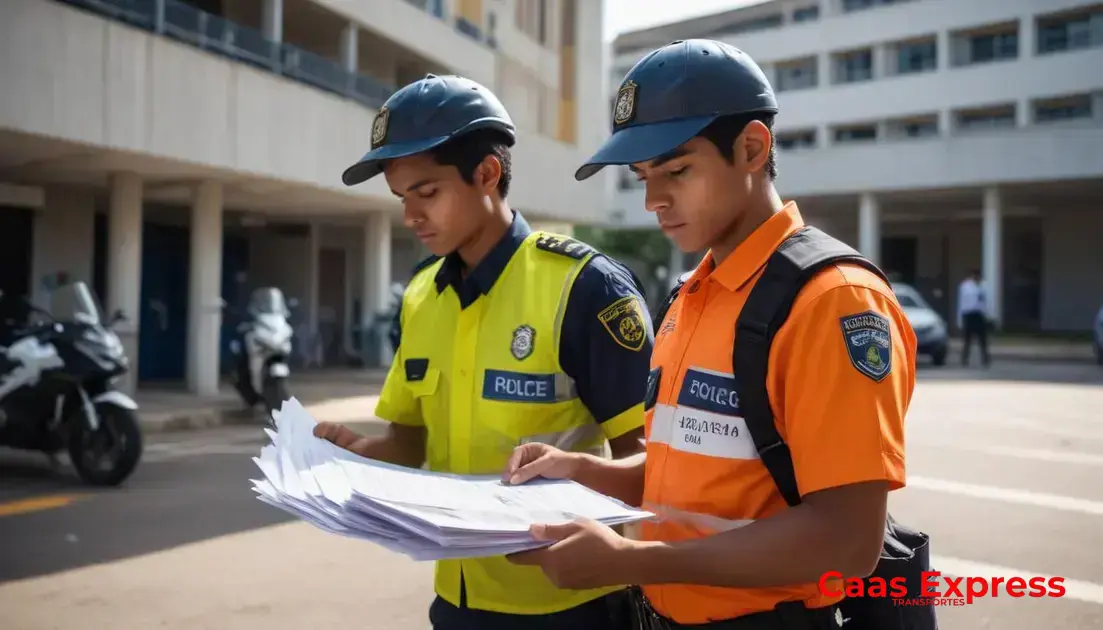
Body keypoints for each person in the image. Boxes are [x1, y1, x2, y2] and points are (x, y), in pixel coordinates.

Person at [503, 39, 920, 629]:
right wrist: (583, 471)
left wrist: (635, 559)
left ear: (752, 148)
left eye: (676, 171)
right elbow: (693, 476)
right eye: (643, 176)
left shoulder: (831, 302)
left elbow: (847, 539)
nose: (653, 200)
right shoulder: (696, 291)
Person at [312, 73, 652, 630]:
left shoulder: (585, 288)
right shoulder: (421, 295)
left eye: (427, 193)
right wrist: (352, 455)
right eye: (402, 199)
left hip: (572, 607)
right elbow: (408, 443)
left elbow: (650, 465)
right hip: (457, 602)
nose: (411, 216)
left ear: (487, 174)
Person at [957, 269, 990, 366]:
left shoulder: (983, 286)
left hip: (979, 314)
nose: (977, 278)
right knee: (967, 339)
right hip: (969, 314)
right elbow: (961, 303)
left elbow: (986, 302)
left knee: (982, 339)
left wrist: (988, 315)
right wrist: (960, 319)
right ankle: (964, 359)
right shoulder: (965, 286)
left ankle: (985, 359)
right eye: (975, 276)